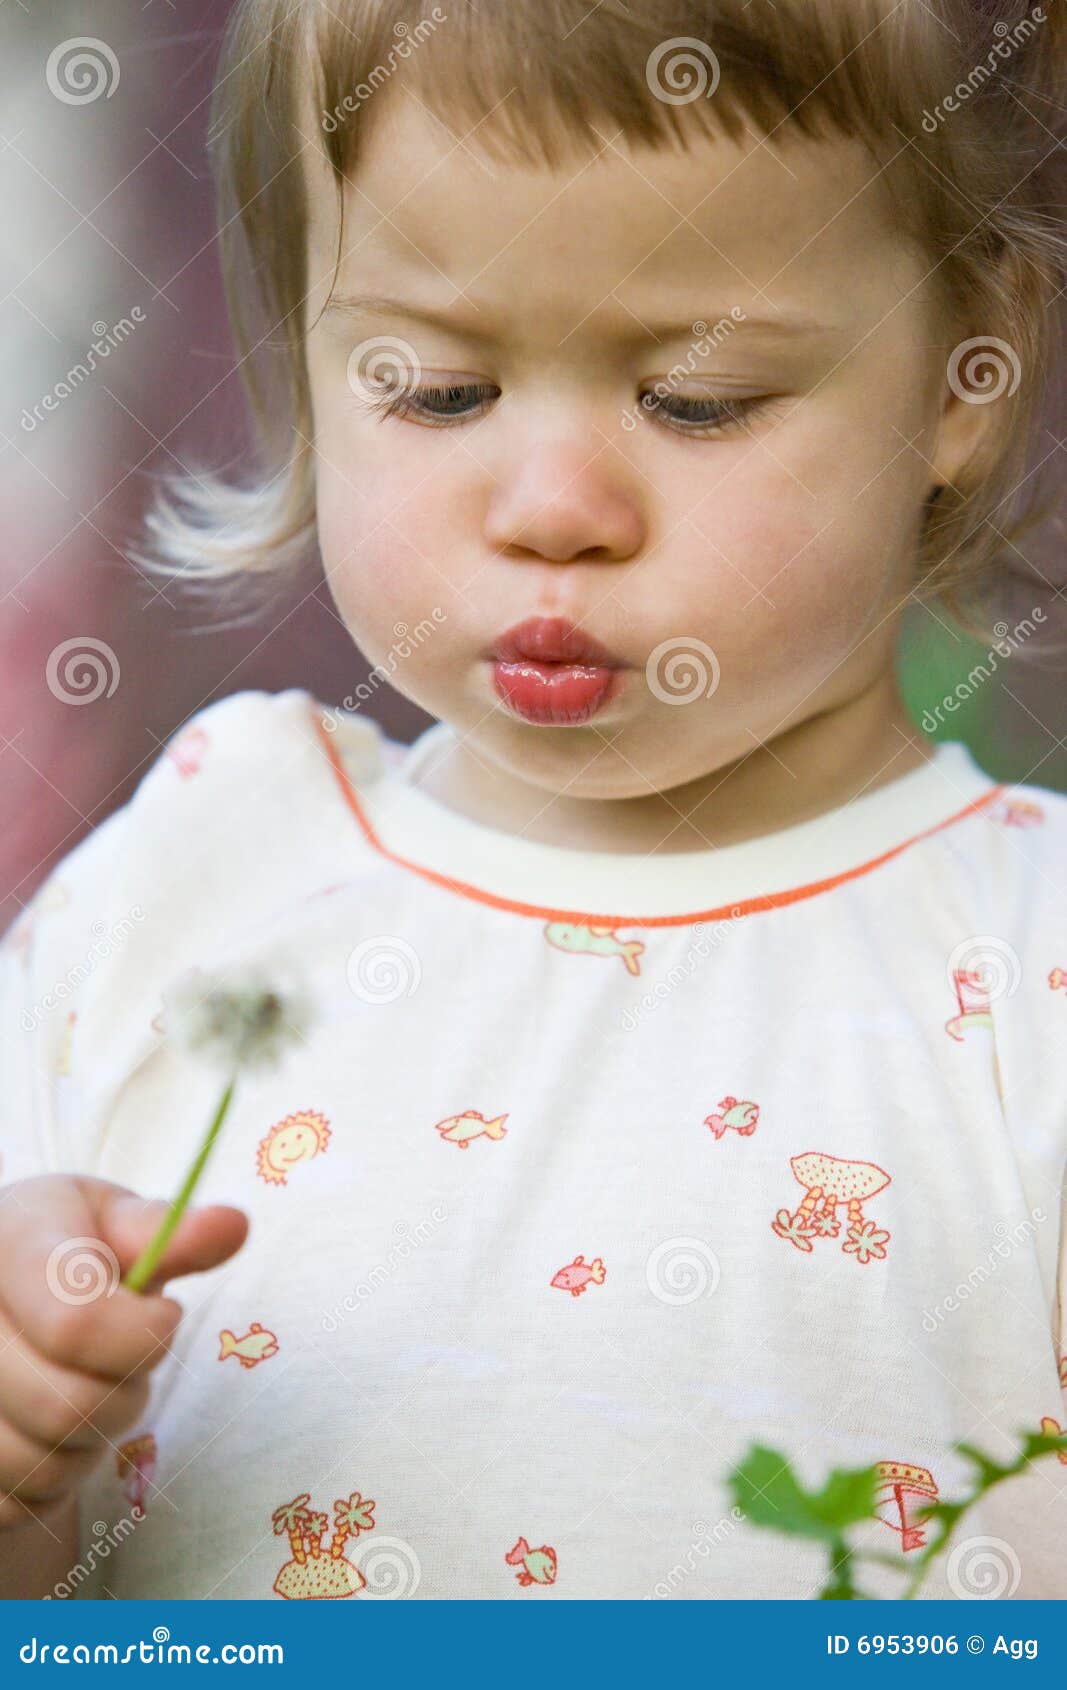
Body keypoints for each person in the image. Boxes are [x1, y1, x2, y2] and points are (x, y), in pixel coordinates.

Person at [2, 0, 1065, 1600]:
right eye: (434, 390)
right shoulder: (191, 881)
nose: (554, 508)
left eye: (697, 400)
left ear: (967, 371)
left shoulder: (1028, 973)